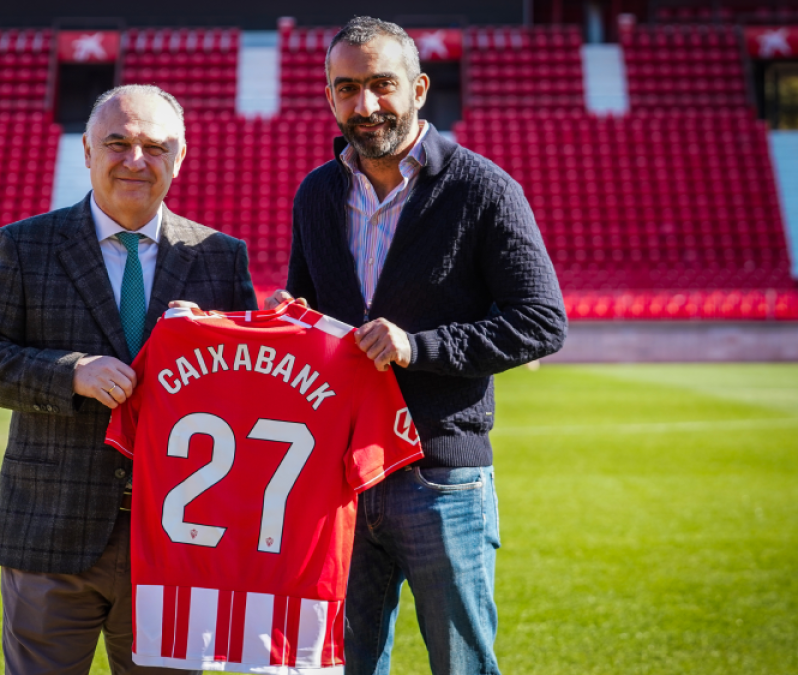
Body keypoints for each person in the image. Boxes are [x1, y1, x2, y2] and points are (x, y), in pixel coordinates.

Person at [276, 17, 568, 675]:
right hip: (339, 475)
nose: (365, 104)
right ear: (329, 97)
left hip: (442, 474)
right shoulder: (315, 194)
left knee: (460, 665)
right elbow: (309, 315)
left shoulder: (482, 188)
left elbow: (543, 322)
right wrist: (286, 323)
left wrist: (418, 346)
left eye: (382, 84)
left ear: (419, 88)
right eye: (346, 88)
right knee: (340, 664)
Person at [0, 84, 257, 675]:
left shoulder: (222, 257)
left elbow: (246, 396)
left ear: (181, 156)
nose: (135, 159)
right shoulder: (25, 245)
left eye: (155, 146)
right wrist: (72, 374)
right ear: (87, 151)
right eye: (117, 142)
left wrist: (272, 330)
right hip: (49, 532)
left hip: (177, 539)